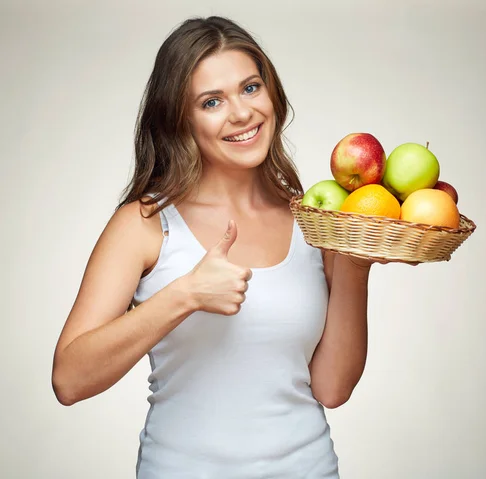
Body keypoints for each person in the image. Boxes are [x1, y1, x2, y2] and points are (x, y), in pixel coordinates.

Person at [51, 16, 378, 478]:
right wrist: (185, 295)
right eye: (211, 101)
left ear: (272, 95)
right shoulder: (145, 225)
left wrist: (356, 266)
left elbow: (332, 388)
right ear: (181, 119)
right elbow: (69, 379)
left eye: (250, 88)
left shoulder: (314, 219)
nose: (241, 113)